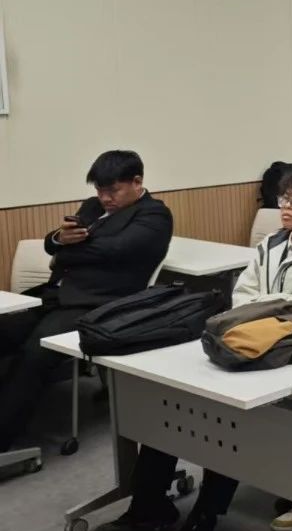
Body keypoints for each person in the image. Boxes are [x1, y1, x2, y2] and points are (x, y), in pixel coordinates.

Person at [94, 171, 292, 531]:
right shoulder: (270, 244)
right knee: (185, 397)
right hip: (257, 344)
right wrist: (263, 313)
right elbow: (243, 293)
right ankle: (148, 506)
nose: (285, 207)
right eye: (284, 199)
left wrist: (263, 311)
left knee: (239, 416)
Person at [0, 150, 172, 453]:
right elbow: (52, 242)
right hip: (55, 295)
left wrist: (64, 252)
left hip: (98, 303)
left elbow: (115, 250)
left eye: (113, 190)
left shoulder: (154, 215)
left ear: (137, 182)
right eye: (99, 190)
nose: (105, 198)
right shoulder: (93, 206)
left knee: (35, 352)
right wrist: (58, 239)